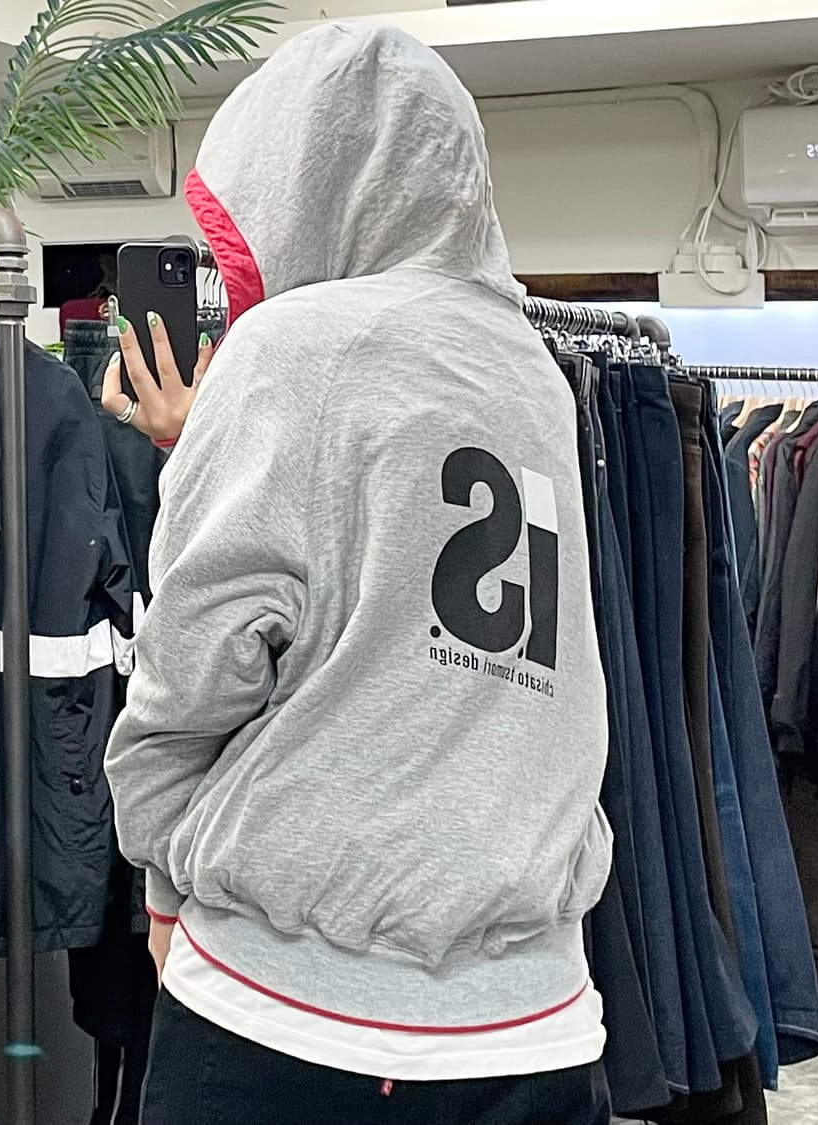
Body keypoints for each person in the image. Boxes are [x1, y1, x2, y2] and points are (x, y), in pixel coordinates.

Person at [103, 22, 612, 1125]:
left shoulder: (292, 349)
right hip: (539, 1014)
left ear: (295, 179)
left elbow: (193, 667)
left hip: (295, 1013)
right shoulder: (535, 372)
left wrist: (159, 879)